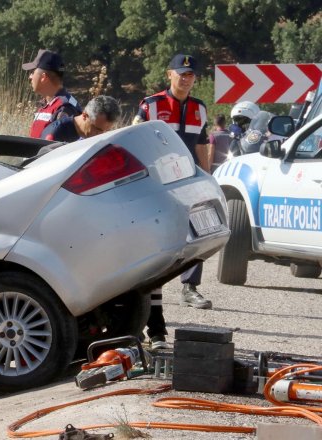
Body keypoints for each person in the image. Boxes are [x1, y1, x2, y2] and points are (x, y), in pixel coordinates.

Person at [133, 54, 213, 350]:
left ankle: (190, 287)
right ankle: (152, 323)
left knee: (197, 239)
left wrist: (207, 179)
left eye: (191, 74)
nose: (186, 78)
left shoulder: (199, 108)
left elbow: (202, 144)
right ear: (169, 75)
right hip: (155, 188)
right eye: (181, 74)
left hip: (188, 186)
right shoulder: (151, 104)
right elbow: (133, 139)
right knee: (155, 254)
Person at [23, 49, 82, 138]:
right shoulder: (46, 103)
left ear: (43, 77)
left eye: (32, 72)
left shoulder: (65, 108)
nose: (30, 77)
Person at [40, 95, 120, 142]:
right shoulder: (55, 134)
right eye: (98, 130)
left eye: (107, 131)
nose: (101, 135)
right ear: (85, 115)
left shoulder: (94, 137)